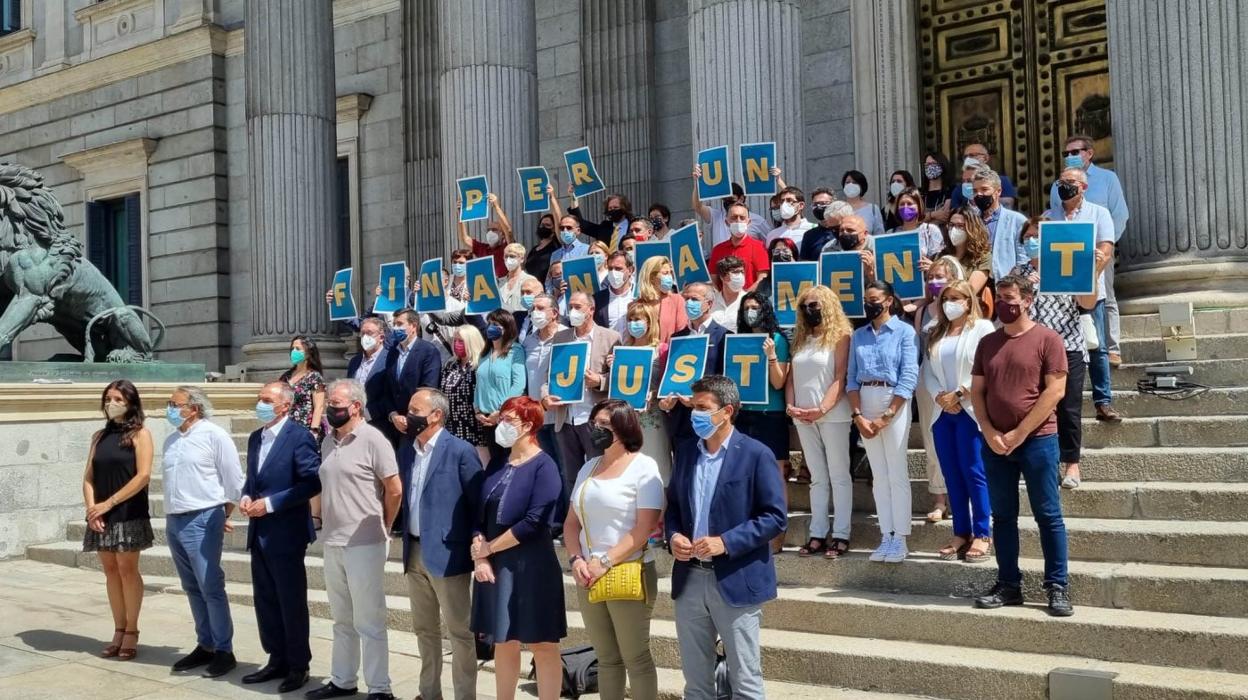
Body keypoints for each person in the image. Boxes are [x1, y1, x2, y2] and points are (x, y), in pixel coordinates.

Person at [665, 375, 787, 700]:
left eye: (703, 408)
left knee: (745, 684)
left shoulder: (756, 454)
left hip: (736, 579)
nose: (695, 415)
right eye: (693, 407)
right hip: (690, 579)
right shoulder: (687, 452)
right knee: (696, 684)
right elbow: (674, 506)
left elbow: (775, 517)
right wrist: (674, 535)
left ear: (727, 411)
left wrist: (726, 542)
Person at [970, 276, 1072, 617]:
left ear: (1027, 300)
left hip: (1039, 441)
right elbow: (977, 391)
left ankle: (1057, 586)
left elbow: (1055, 392)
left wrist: (1020, 433)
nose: (1002, 304)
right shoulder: (988, 343)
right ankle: (1008, 584)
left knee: (1048, 515)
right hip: (996, 443)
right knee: (1003, 517)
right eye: (999, 297)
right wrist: (987, 430)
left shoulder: (1048, 339)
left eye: (1009, 298)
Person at [307, 379, 402, 700]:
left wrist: (385, 525)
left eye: (335, 406)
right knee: (341, 619)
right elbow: (321, 485)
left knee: (369, 619)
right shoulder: (328, 442)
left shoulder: (374, 439)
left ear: (355, 407)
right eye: (329, 405)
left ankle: (379, 688)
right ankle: (343, 680)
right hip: (332, 541)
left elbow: (394, 489)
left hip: (365, 542)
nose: (330, 411)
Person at [563, 400, 664, 700]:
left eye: (605, 425)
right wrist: (576, 559)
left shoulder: (644, 467)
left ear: (624, 428)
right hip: (588, 573)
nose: (597, 429)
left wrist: (604, 561)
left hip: (628, 571)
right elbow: (571, 523)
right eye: (595, 423)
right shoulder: (588, 467)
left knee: (635, 657)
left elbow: (644, 528)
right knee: (606, 658)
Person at [470, 396, 567, 700]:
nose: (501, 424)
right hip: (496, 564)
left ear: (528, 425)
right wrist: (480, 553)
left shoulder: (545, 464)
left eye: (508, 420)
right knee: (504, 641)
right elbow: (479, 514)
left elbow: (535, 521)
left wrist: (490, 549)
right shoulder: (499, 462)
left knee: (543, 643)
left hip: (532, 564)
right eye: (501, 418)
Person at [397, 388, 485, 700]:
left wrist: (477, 545)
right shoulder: (408, 450)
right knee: (424, 629)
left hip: (448, 554)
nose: (409, 415)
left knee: (460, 633)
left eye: (415, 409)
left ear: (435, 415)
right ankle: (428, 692)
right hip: (414, 550)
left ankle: (464, 696)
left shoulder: (460, 450)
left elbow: (478, 503)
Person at [239, 382, 322, 694]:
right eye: (259, 399)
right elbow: (252, 480)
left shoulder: (299, 437)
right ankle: (277, 658)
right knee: (266, 598)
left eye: (266, 400)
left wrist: (271, 504)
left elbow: (311, 482)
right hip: (259, 531)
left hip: (286, 532)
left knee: (290, 600)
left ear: (285, 406)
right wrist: (247, 497)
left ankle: (298, 664)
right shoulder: (255, 438)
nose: (260, 404)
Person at [163, 385, 244, 677]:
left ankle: (224, 649)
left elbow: (234, 480)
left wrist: (224, 513)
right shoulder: (172, 440)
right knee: (191, 586)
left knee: (210, 585)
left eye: (175, 404)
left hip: (203, 516)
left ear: (193, 408)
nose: (170, 408)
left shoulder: (214, 435)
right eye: (169, 403)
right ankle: (205, 643)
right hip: (175, 518)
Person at [1013, 218, 1097, 490]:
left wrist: (1090, 270)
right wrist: (1025, 287)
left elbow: (1087, 303)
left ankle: (1071, 463)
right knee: (1034, 404)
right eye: (1027, 237)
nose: (1032, 241)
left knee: (1069, 407)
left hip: (1068, 345)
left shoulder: (1066, 266)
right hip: (1033, 348)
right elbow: (1011, 311)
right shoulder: (1019, 272)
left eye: (1037, 235)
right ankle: (1036, 462)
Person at [922, 282, 996, 564]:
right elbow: (927, 371)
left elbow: (985, 367)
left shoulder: (983, 329)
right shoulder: (935, 331)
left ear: (969, 300)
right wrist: (939, 396)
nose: (949, 303)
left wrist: (960, 392)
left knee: (974, 472)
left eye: (955, 298)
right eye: (945, 299)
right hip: (943, 413)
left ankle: (982, 533)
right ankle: (960, 532)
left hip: (969, 409)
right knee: (951, 474)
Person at [847, 281, 919, 563]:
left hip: (894, 399)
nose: (869, 304)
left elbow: (909, 374)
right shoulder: (859, 335)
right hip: (866, 397)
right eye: (866, 299)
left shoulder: (904, 331)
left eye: (874, 299)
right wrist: (859, 416)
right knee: (879, 474)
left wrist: (888, 414)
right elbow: (851, 378)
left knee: (896, 471)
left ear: (888, 301)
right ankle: (886, 534)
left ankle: (900, 536)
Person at [83, 380, 154, 661]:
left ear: (130, 403)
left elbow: (143, 476)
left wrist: (109, 504)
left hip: (127, 510)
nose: (111, 403)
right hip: (100, 512)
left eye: (117, 399)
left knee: (127, 569)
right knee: (110, 571)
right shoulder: (99, 436)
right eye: (108, 398)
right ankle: (118, 628)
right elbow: (88, 476)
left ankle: (132, 631)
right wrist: (92, 509)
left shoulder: (140, 434)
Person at [1046, 166, 1122, 424]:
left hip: (1089, 292)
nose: (1064, 186)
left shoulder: (1099, 213)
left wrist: (1087, 279)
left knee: (1097, 346)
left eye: (1070, 182)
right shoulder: (1050, 216)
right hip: (1056, 298)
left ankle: (1103, 401)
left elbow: (1106, 249)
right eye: (1061, 182)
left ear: (1084, 187)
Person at [785, 287, 854, 559]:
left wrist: (822, 408)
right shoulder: (800, 338)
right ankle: (817, 532)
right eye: (805, 306)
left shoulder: (841, 336)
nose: (809, 311)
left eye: (814, 305)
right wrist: (791, 406)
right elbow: (791, 377)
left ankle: (841, 534)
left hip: (833, 414)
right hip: (803, 415)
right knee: (817, 478)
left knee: (839, 475)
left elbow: (840, 376)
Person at [1051, 134, 1130, 366]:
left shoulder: (1107, 179)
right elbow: (1056, 214)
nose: (1070, 157)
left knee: (1105, 298)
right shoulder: (1060, 185)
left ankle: (1113, 348)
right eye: (1066, 153)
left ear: (1089, 153)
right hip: (1066, 254)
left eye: (1075, 152)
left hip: (1097, 251)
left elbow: (1120, 214)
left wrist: (1106, 244)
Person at [549, 291, 622, 493]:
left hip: (595, 418)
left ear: (591, 310)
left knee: (600, 471)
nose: (572, 311)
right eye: (570, 307)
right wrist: (547, 395)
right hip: (566, 418)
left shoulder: (611, 337)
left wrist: (600, 381)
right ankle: (574, 521)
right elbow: (550, 375)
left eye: (577, 307)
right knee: (570, 476)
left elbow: (621, 378)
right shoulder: (560, 338)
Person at [735, 292, 791, 553]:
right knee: (745, 474)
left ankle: (777, 533)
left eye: (755, 307)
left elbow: (779, 382)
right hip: (745, 414)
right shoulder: (738, 340)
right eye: (746, 308)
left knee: (775, 474)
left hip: (770, 414)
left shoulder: (778, 340)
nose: (750, 312)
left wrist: (770, 355)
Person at [910, 257, 964, 522]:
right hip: (927, 382)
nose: (934, 281)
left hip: (957, 383)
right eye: (930, 277)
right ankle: (939, 498)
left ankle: (962, 498)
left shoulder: (962, 310)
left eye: (940, 276)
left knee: (961, 442)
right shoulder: (922, 311)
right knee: (932, 443)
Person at [662, 282, 730, 454]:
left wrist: (698, 401)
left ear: (709, 303)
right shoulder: (677, 338)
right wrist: (667, 401)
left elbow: (725, 382)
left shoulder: (724, 336)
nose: (689, 303)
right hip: (681, 419)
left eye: (694, 299)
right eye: (686, 299)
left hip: (710, 418)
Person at [620, 301, 673, 483]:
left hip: (654, 419)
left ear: (649, 322)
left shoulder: (662, 349)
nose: (633, 323)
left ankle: (661, 511)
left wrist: (656, 392)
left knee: (657, 470)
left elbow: (670, 382)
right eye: (630, 319)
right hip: (628, 420)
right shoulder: (621, 350)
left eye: (638, 319)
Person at [383, 308, 443, 445]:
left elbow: (428, 388)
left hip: (418, 424)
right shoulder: (393, 352)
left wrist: (410, 416)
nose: (395, 328)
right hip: (395, 425)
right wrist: (393, 415)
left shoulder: (428, 351)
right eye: (394, 324)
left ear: (413, 326)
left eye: (400, 324)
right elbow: (388, 389)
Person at [475, 309, 528, 461]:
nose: (491, 327)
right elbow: (479, 384)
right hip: (486, 419)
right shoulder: (484, 354)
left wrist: (500, 411)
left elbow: (518, 385)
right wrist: (477, 409)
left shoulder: (515, 351)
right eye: (489, 324)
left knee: (510, 459)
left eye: (496, 324)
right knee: (495, 461)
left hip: (506, 418)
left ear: (507, 328)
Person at [522, 293, 567, 472]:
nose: (535, 312)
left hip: (560, 415)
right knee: (545, 468)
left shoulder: (567, 336)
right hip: (536, 416)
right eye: (533, 309)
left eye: (540, 308)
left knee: (565, 468)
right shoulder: (528, 341)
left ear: (554, 313)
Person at [971, 168, 1029, 282]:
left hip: (1005, 285)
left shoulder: (1017, 220)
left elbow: (1023, 259)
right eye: (975, 191)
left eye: (984, 189)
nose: (979, 194)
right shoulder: (971, 221)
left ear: (998, 191)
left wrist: (1014, 281)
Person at [441, 324, 489, 462]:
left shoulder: (480, 365)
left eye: (461, 341)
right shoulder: (449, 365)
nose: (457, 344)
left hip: (476, 429)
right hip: (452, 428)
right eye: (455, 341)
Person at [690, 174, 771, 248]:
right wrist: (698, 183)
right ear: (726, 222)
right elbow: (697, 206)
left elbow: (770, 245)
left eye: (731, 199)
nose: (728, 203)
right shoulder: (716, 217)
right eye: (725, 200)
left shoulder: (758, 221)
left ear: (741, 198)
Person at [709, 202, 771, 293]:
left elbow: (762, 279)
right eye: (734, 218)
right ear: (727, 222)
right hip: (724, 304)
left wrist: (743, 299)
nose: (738, 221)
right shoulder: (718, 249)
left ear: (748, 222)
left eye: (742, 218)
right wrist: (722, 299)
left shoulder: (759, 247)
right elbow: (713, 280)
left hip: (749, 301)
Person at [348, 317, 391, 435]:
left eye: (369, 333)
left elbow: (390, 395)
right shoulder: (354, 361)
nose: (365, 337)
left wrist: (367, 414)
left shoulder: (390, 360)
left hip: (380, 425)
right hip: (354, 423)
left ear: (381, 337)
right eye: (362, 333)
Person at [943, 205, 993, 303]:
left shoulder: (982, 257)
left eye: (960, 226)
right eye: (951, 225)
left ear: (972, 228)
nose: (954, 230)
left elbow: (969, 291)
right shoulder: (941, 256)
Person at [280, 335, 326, 440]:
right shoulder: (286, 376)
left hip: (304, 430)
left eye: (298, 349)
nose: (294, 352)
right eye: (292, 349)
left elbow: (319, 406)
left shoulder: (314, 377)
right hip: (286, 429)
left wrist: (314, 431)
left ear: (308, 353)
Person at [635, 255, 689, 345]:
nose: (670, 277)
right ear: (651, 277)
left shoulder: (677, 300)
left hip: (669, 355)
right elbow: (632, 340)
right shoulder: (635, 305)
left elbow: (682, 332)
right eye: (665, 273)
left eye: (670, 273)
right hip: (643, 356)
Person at [457, 193, 514, 278]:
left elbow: (508, 231)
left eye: (494, 230)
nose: (490, 232)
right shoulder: (483, 249)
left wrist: (496, 207)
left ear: (502, 234)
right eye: (488, 230)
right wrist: (460, 214)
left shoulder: (508, 247)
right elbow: (465, 239)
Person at [953, 143, 1017, 210]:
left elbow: (1007, 206)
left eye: (972, 155)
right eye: (965, 157)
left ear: (985, 158)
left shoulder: (1002, 180)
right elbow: (956, 212)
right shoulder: (961, 187)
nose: (968, 159)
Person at [888, 187, 944, 258]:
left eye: (909, 203)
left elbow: (940, 259)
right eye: (902, 204)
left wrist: (931, 265)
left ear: (918, 206)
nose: (905, 207)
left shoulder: (930, 231)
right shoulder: (890, 234)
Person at [525, 195, 563, 286]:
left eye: (547, 225)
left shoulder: (556, 245)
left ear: (554, 229)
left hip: (548, 289)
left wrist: (552, 198)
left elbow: (559, 221)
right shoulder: (534, 249)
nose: (543, 227)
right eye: (541, 224)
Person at [798, 194, 850, 261]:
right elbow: (805, 263)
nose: (819, 206)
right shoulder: (809, 235)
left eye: (823, 203)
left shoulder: (847, 232)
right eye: (815, 204)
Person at [595, 250, 634, 336]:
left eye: (618, 269)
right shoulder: (597, 299)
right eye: (610, 269)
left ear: (630, 270)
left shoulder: (638, 295)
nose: (613, 272)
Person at [841, 170, 885, 236]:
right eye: (847, 182)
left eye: (855, 182)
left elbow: (879, 234)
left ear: (861, 187)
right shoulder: (839, 209)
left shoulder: (873, 209)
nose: (851, 185)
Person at [709, 255, 746, 332]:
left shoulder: (748, 300)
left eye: (742, 272)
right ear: (722, 277)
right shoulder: (711, 301)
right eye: (735, 272)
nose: (740, 275)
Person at [498, 242, 538, 312]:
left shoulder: (530, 280)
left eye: (512, 256)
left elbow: (537, 304)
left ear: (522, 259)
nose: (508, 260)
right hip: (502, 321)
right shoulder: (498, 282)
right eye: (506, 256)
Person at [920, 150, 956, 223]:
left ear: (942, 165)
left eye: (933, 164)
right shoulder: (920, 193)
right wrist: (933, 215)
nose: (930, 167)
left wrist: (926, 217)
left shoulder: (951, 191)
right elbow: (915, 220)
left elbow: (946, 216)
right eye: (927, 164)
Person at [513, 275, 546, 342]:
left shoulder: (550, 317)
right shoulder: (516, 317)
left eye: (528, 292)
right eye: (522, 293)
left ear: (541, 294)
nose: (524, 296)